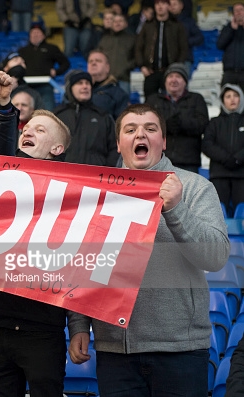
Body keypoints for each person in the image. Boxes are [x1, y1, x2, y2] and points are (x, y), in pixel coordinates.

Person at [67, 103, 230, 397]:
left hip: (181, 350)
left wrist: (177, 209)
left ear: (163, 141)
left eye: (150, 129)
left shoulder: (195, 188)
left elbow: (216, 257)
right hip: (116, 352)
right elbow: (84, 264)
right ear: (119, 144)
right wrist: (79, 324)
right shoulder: (98, 194)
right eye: (130, 129)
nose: (140, 134)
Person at [0, 69, 72, 397]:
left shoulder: (73, 194)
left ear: (57, 148)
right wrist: (2, 103)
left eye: (40, 130)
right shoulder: (1, 174)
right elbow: (3, 149)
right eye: (26, 128)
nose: (28, 132)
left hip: (44, 330)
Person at [145, 62, 208, 173]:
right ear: (165, 81)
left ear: (185, 82)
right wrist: (165, 125)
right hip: (159, 160)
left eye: (178, 76)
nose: (174, 80)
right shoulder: (153, 100)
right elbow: (144, 124)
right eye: (170, 76)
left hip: (188, 161)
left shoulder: (197, 99)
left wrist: (182, 123)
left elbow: (203, 124)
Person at [0, 52, 43, 147]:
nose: (20, 63)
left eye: (23, 62)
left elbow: (41, 118)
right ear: (5, 68)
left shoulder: (32, 93)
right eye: (15, 60)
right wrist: (1, 92)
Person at [54, 70, 119, 166]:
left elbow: (114, 148)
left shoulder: (103, 116)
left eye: (87, 83)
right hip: (63, 176)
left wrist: (106, 172)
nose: (85, 86)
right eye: (80, 83)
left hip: (96, 177)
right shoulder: (57, 116)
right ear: (70, 88)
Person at [202, 84, 244, 217]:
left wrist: (238, 158)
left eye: (236, 96)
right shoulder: (214, 122)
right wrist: (226, 158)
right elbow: (207, 145)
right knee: (218, 214)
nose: (232, 99)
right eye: (228, 96)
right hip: (219, 175)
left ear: (241, 99)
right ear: (222, 100)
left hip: (241, 175)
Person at [135, 0, 188, 97]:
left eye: (163, 3)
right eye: (157, 3)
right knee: (149, 104)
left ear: (168, 6)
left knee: (171, 103)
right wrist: (142, 66)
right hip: (150, 72)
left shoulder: (177, 25)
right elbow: (138, 47)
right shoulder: (147, 25)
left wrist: (176, 68)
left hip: (170, 72)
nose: (160, 6)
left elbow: (184, 48)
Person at [18, 21, 70, 111]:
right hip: (26, 86)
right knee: (23, 112)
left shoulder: (52, 48)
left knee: (48, 112)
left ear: (43, 35)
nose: (35, 35)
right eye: (33, 32)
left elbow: (66, 63)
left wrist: (56, 71)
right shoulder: (22, 51)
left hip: (46, 86)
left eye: (38, 32)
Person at [98, 13, 136, 94]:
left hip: (124, 78)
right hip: (106, 79)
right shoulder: (104, 39)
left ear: (126, 24)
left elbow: (135, 59)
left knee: (125, 105)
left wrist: (122, 70)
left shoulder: (132, 39)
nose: (117, 23)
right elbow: (99, 57)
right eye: (115, 21)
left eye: (120, 21)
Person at [87, 50, 130, 119]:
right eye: (90, 61)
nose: (93, 63)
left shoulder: (118, 93)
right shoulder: (81, 90)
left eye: (98, 61)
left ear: (107, 67)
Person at [169, 0, 203, 76]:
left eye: (175, 4)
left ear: (181, 6)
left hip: (185, 59)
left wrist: (185, 42)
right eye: (170, 4)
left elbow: (199, 38)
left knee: (182, 85)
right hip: (167, 60)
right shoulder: (164, 22)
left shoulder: (189, 22)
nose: (172, 7)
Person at [217, 2, 244, 92]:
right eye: (236, 11)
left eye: (241, 10)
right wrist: (231, 29)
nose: (238, 12)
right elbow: (220, 45)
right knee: (227, 98)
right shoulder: (227, 28)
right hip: (230, 72)